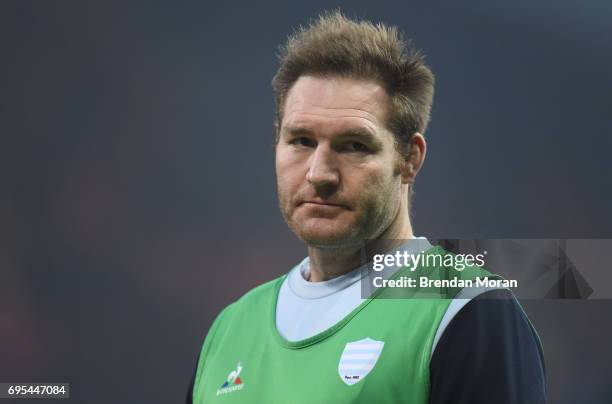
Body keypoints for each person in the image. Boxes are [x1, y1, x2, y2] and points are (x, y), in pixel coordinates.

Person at [187, 11, 545, 403]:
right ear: (277, 143)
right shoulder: (230, 328)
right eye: (301, 141)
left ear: (410, 158)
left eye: (354, 145)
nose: (320, 173)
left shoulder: (464, 310)